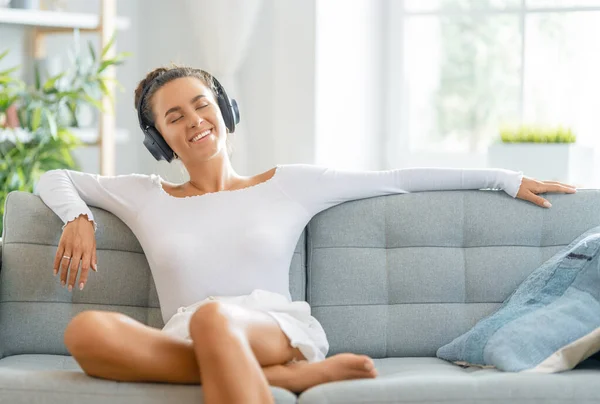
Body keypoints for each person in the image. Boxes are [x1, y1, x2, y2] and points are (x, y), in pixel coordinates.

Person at [35, 65, 577, 404]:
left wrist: (504, 178)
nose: (194, 119)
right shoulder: (143, 193)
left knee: (214, 317)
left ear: (224, 111)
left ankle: (280, 362)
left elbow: (396, 180)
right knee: (86, 333)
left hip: (271, 322)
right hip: (188, 331)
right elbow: (52, 176)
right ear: (160, 140)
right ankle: (292, 379)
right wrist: (77, 217)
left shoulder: (289, 184)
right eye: (174, 116)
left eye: (202, 104)